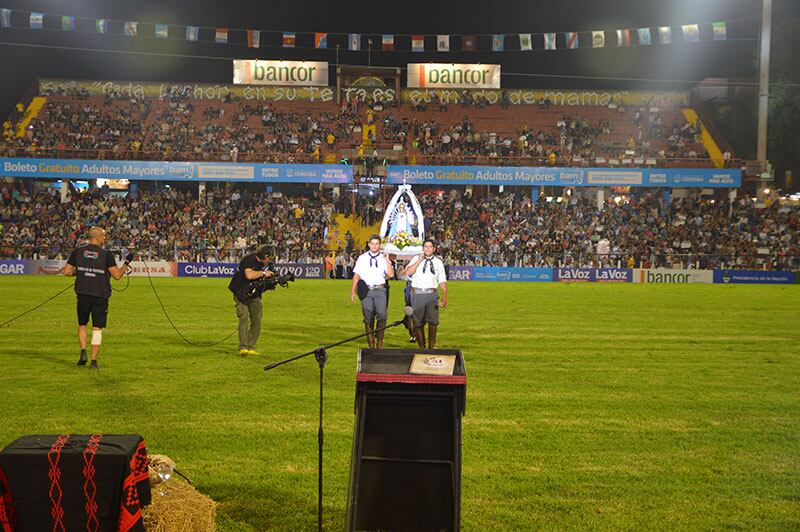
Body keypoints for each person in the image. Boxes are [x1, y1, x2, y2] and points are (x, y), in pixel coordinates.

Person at [60, 226, 130, 369]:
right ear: (98, 237)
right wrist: (127, 263)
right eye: (103, 236)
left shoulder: (78, 252)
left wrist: (78, 273)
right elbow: (117, 275)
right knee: (97, 328)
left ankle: (83, 352)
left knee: (82, 324)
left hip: (82, 294)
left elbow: (66, 271)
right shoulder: (106, 254)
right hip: (100, 295)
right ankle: (93, 361)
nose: (104, 239)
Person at [228, 246, 275, 356]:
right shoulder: (248, 260)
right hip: (240, 293)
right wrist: (264, 273)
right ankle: (243, 347)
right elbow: (249, 275)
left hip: (254, 294)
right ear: (265, 256)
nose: (270, 260)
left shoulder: (267, 265)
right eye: (270, 258)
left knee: (257, 321)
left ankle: (250, 346)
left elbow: (262, 281)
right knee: (244, 317)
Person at [350, 235, 394, 349]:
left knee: (382, 315)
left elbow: (390, 275)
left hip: (380, 290)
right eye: (372, 243)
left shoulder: (383, 258)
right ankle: (371, 343)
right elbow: (357, 275)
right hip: (366, 290)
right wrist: (353, 291)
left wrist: (387, 260)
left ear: (380, 245)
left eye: (377, 244)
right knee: (368, 317)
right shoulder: (362, 258)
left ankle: (379, 342)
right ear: (369, 244)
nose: (374, 246)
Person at [404, 239, 448, 349]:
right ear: (422, 248)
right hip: (417, 294)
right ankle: (422, 347)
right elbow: (408, 272)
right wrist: (419, 260)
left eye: (430, 247)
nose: (427, 249)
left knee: (433, 322)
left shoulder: (438, 262)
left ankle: (431, 347)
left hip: (431, 294)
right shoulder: (416, 258)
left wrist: (444, 297)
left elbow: (442, 281)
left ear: (434, 249)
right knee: (418, 323)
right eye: (426, 246)